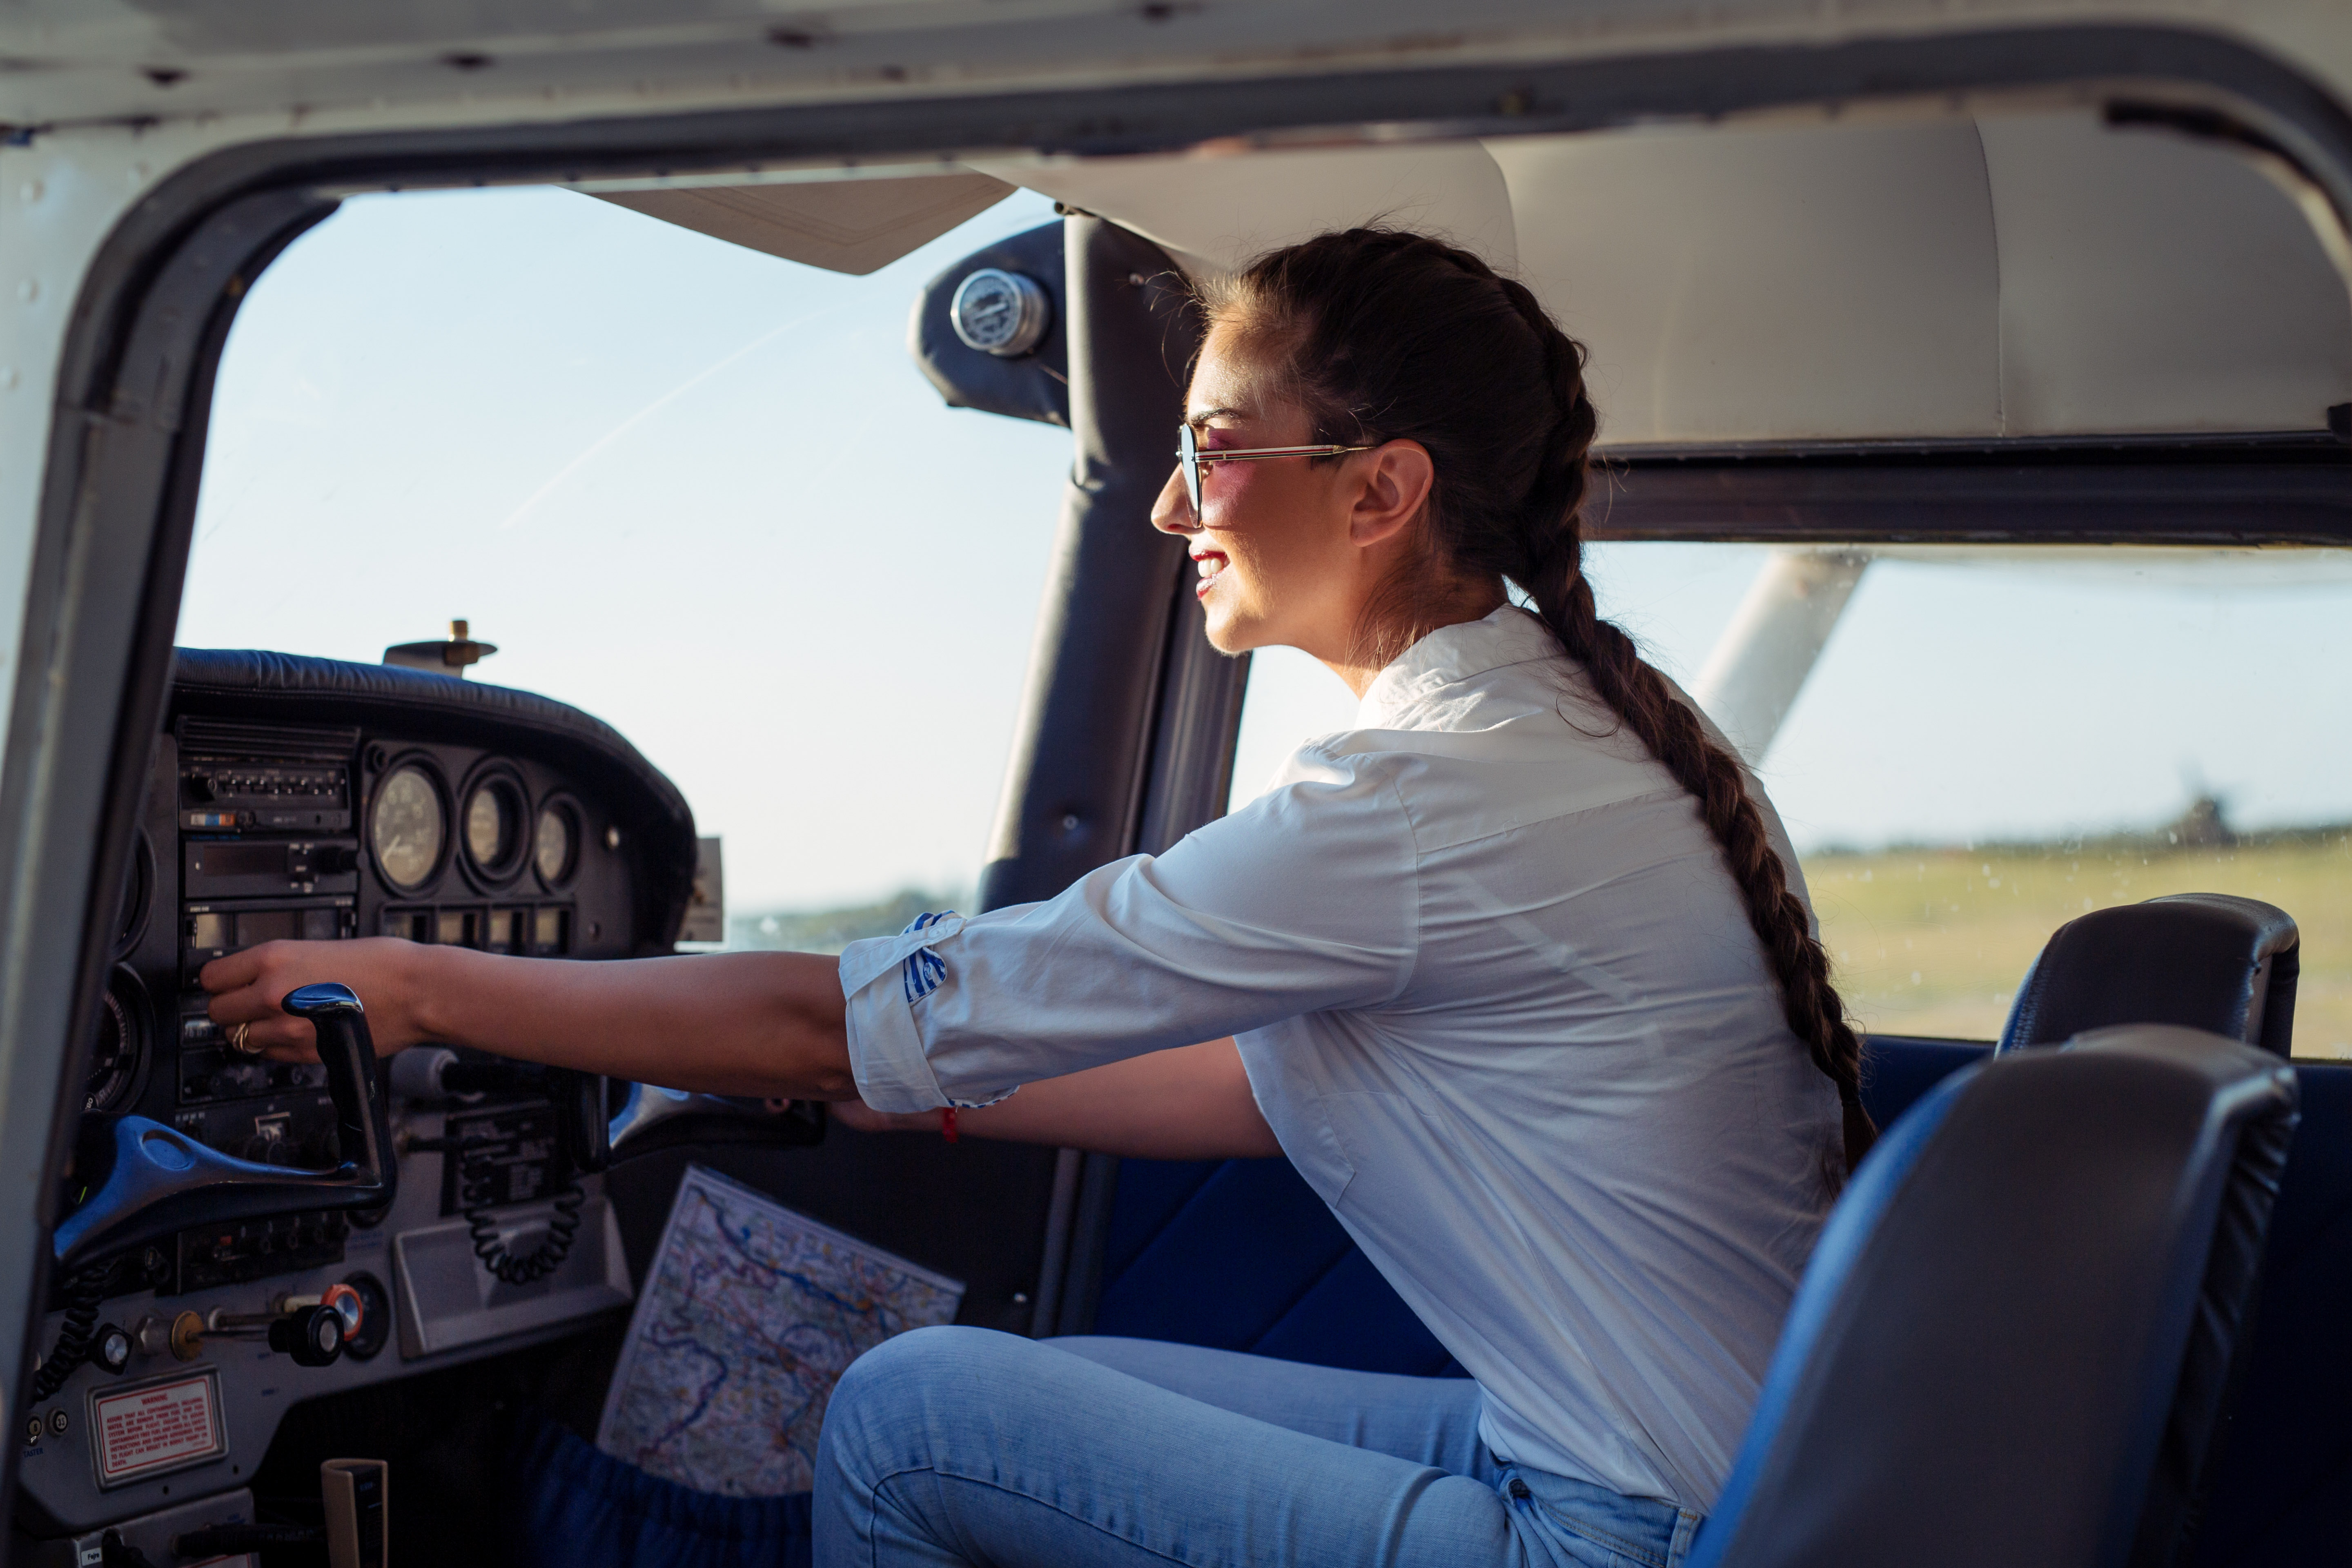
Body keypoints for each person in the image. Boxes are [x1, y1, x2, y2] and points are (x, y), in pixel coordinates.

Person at [204, 227, 1873, 1568]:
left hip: (1628, 1528)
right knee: (1057, 1392)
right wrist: (929, 1085)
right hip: (1728, 1468)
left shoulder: (1423, 799)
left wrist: (410, 986)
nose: (1170, 508)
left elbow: (814, 1023)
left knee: (911, 1414)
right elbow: (1257, 1091)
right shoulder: (1568, 740)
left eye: (1215, 452)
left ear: (1380, 491)